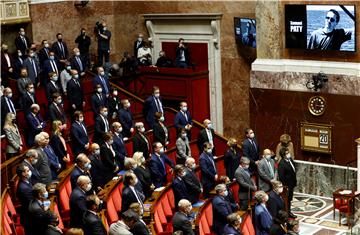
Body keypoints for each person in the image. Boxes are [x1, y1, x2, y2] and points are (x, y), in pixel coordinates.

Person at [278, 147, 297, 218]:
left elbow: (293, 171)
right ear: (283, 155)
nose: (289, 154)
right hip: (287, 186)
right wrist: (286, 186)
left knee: (290, 199)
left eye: (288, 152)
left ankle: (289, 211)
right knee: (287, 200)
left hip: (292, 184)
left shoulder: (290, 160)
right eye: (287, 153)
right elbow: (281, 177)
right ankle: (287, 213)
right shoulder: (282, 164)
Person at [16, 164, 33, 234]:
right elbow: (31, 203)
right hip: (29, 218)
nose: (29, 172)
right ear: (23, 173)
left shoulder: (26, 181)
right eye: (28, 171)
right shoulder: (23, 188)